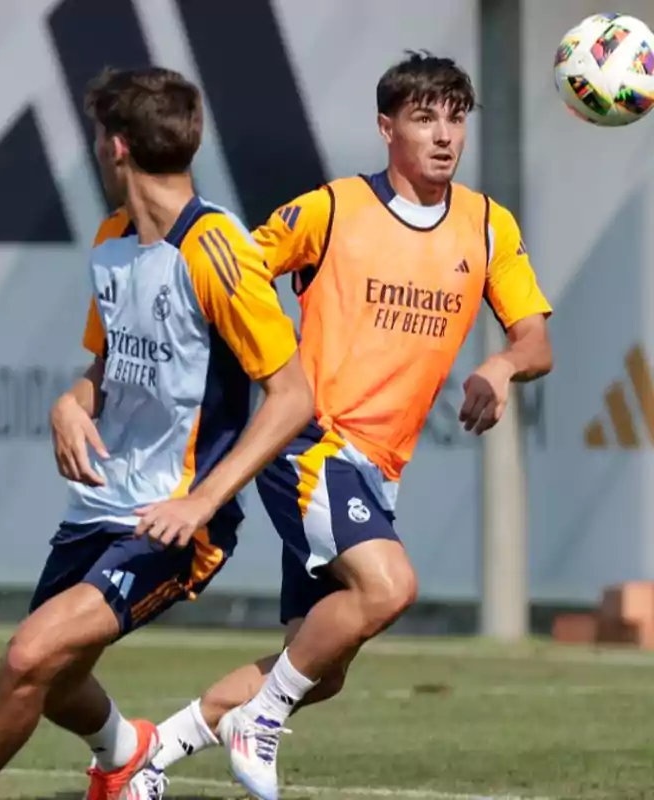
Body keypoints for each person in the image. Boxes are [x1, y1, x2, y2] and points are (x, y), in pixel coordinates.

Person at [122, 51, 554, 800]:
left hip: (377, 470)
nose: (445, 135)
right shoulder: (331, 208)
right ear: (387, 128)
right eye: (425, 117)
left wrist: (500, 368)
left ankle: (153, 752)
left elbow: (536, 339)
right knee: (390, 588)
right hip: (310, 446)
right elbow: (231, 275)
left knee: (317, 665)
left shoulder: (488, 226)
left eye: (456, 117)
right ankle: (260, 723)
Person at [0, 66, 315, 800]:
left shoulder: (217, 251)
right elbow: (103, 364)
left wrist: (200, 506)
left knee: (25, 659)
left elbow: (293, 398)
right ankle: (126, 751)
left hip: (172, 521)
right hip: (102, 504)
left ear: (115, 148)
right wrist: (70, 403)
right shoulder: (113, 240)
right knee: (56, 676)